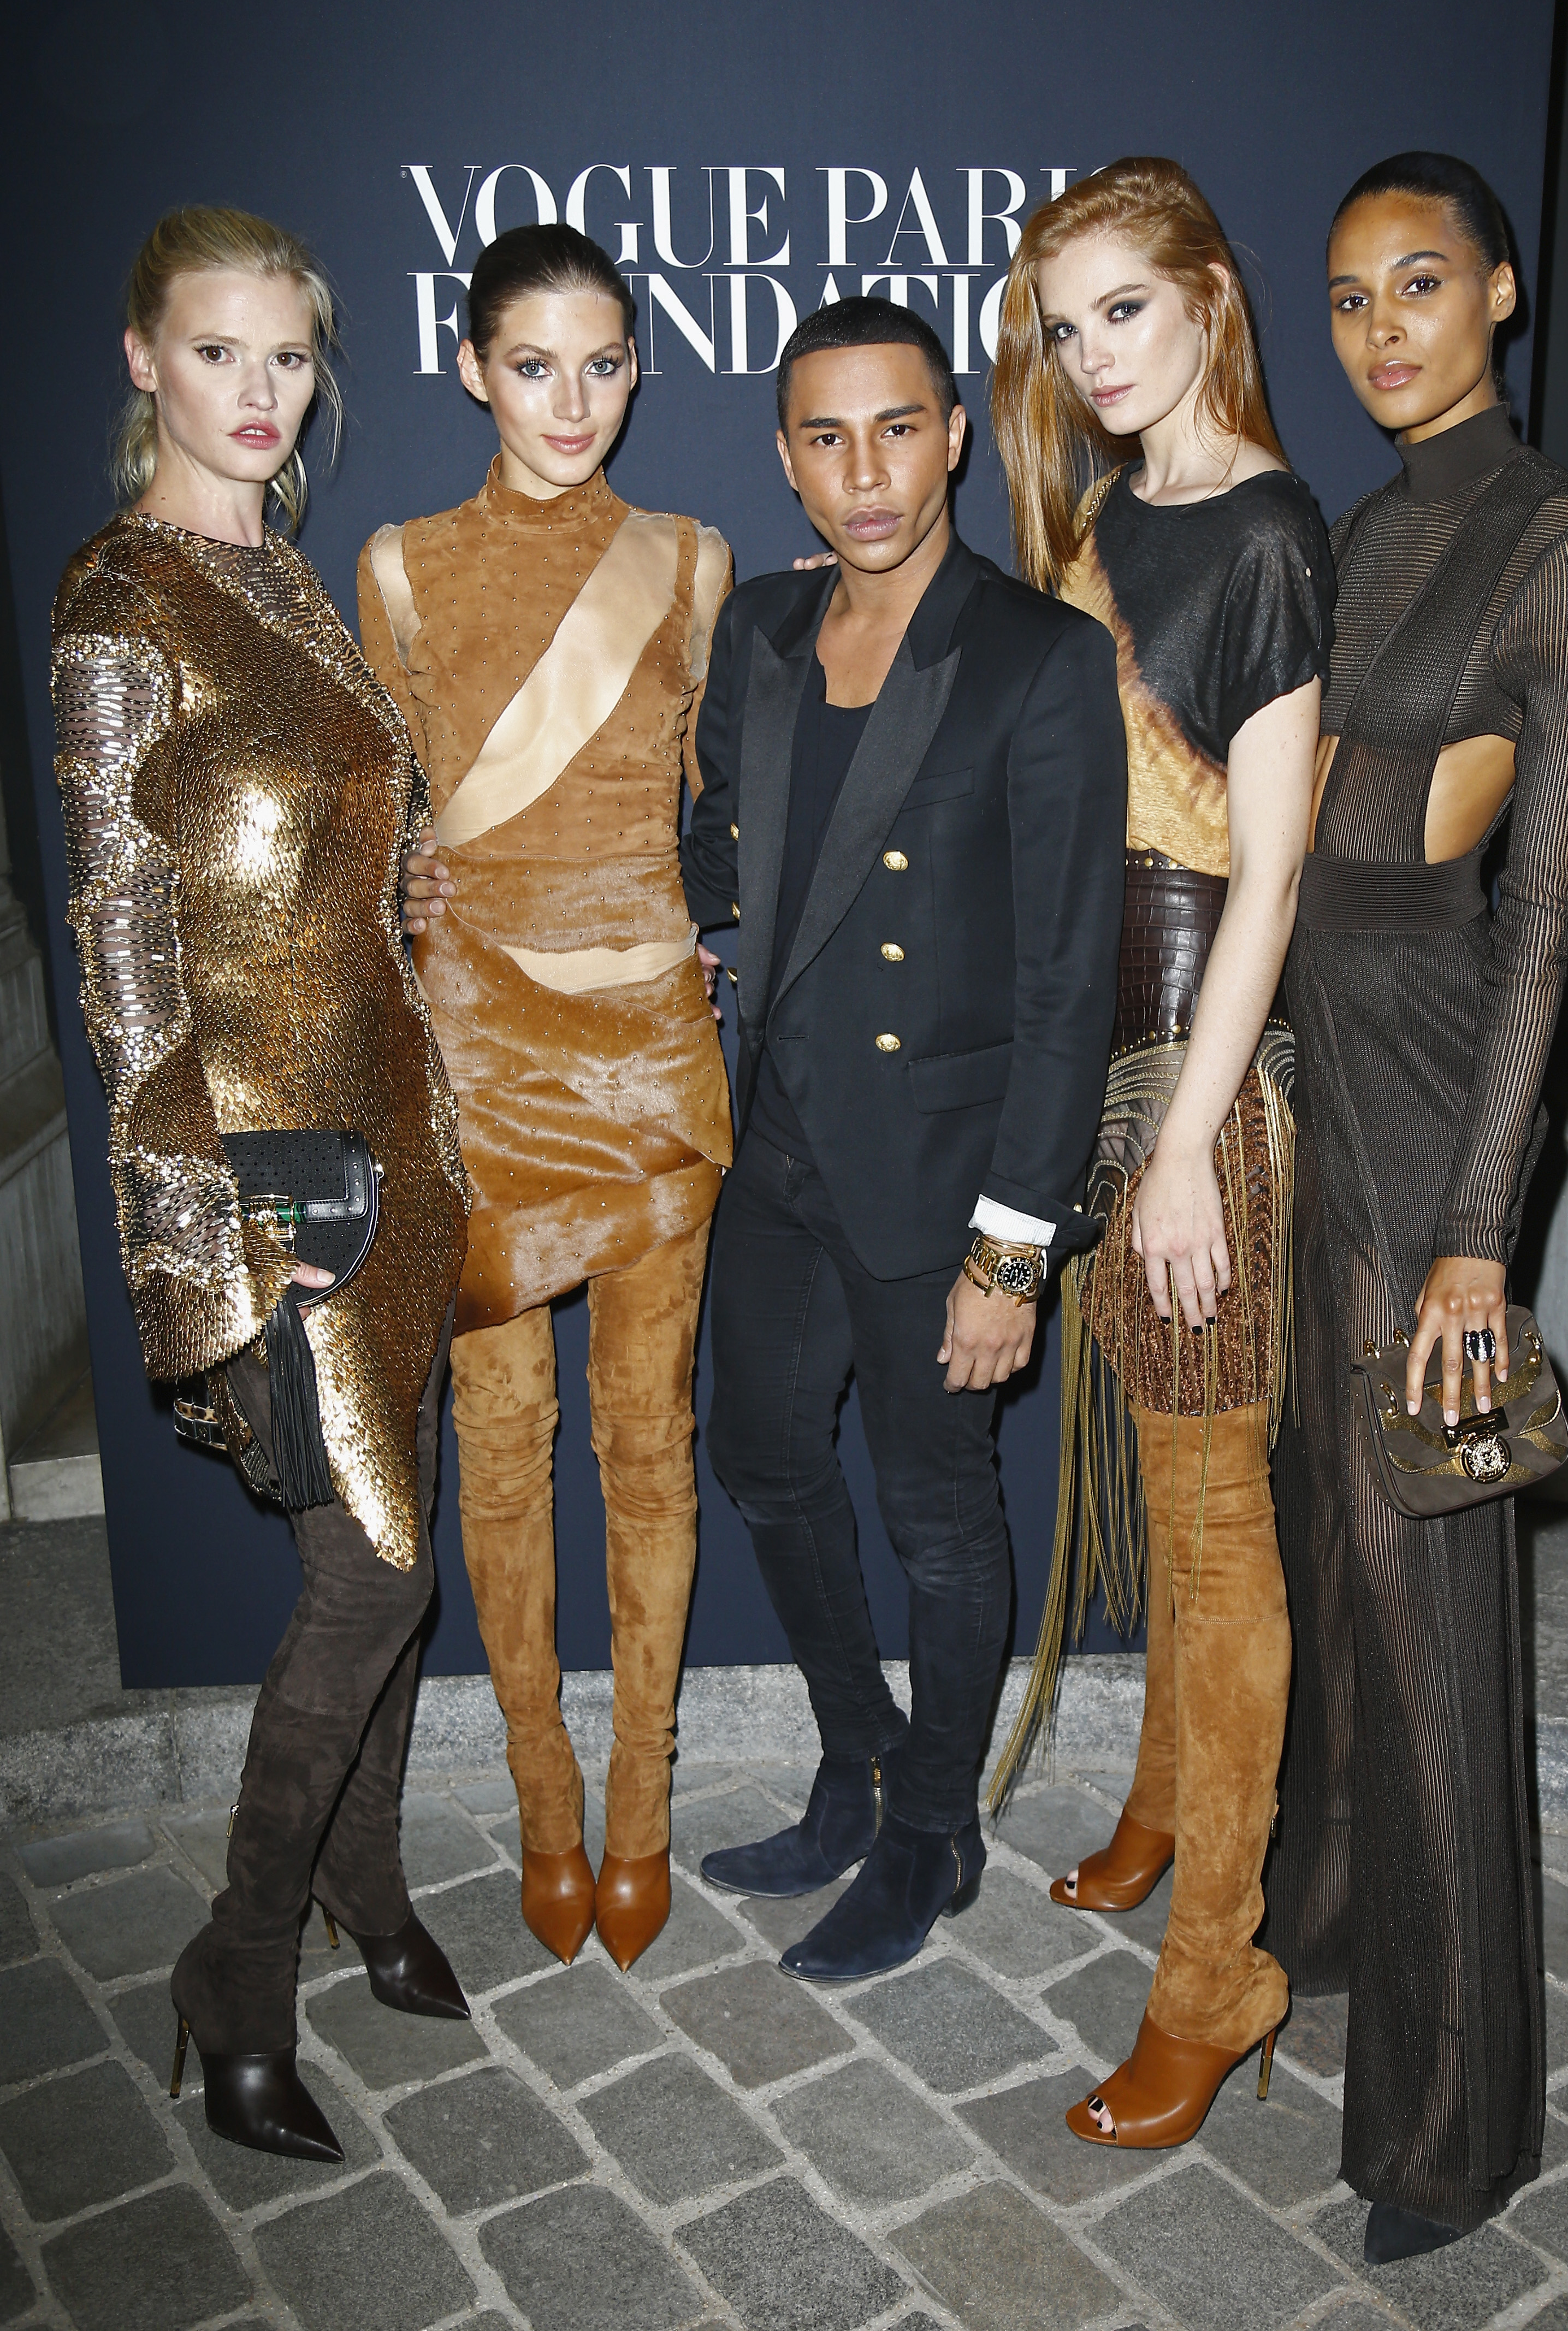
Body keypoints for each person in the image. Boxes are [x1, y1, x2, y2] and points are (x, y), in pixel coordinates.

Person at [51, 207, 471, 2162]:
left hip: (395, 1145)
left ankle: (367, 1885)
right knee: (373, 1572)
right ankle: (240, 1963)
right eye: (219, 352)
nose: (259, 391)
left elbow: (320, 866)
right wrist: (222, 1222)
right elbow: (126, 954)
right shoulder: (118, 603)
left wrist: (404, 894)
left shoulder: (286, 578)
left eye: (290, 357)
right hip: (272, 1172)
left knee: (393, 1570)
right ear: (145, 357)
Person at [1265, 153, 1568, 2262]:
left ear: (1499, 289)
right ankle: (1329, 1922)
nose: (1383, 328)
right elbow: (1324, 827)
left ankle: (1454, 2124)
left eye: (1420, 284)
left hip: (1432, 1140)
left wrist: (1481, 1239)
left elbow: (1543, 925)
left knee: (1428, 1626)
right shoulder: (1353, 533)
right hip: (1318, 1108)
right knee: (1332, 1568)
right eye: (1348, 298)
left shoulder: (1566, 552)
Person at [683, 294, 1125, 1981]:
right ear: (786, 459)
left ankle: (936, 1829)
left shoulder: (1036, 657)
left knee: (938, 1514)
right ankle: (859, 1757)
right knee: (764, 1457)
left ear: (953, 435)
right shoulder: (761, 630)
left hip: (944, 1176)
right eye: (825, 436)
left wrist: (1013, 1255)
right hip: (783, 1146)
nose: (864, 472)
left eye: (894, 428)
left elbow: (1068, 981)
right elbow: (727, 858)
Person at [989, 159, 1333, 2147]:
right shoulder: (1109, 514)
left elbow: (1271, 871)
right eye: (1066, 325)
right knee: (1163, 1469)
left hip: (1208, 1081)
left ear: (1209, 296)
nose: (1094, 354)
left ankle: (1221, 1971)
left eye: (1125, 308)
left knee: (1212, 1525)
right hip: (1108, 1062)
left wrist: (1193, 1142)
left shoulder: (1269, 527)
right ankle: (1160, 1803)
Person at [360, 223, 732, 1974]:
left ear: (638, 367)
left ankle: (642, 1796)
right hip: (481, 1063)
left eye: (602, 365)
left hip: (652, 1058)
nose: (571, 403)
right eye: (533, 366)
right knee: (501, 1457)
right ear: (472, 371)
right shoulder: (401, 567)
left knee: (648, 1447)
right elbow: (372, 821)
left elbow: (710, 796)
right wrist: (406, 886)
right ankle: (542, 1798)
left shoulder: (693, 560)